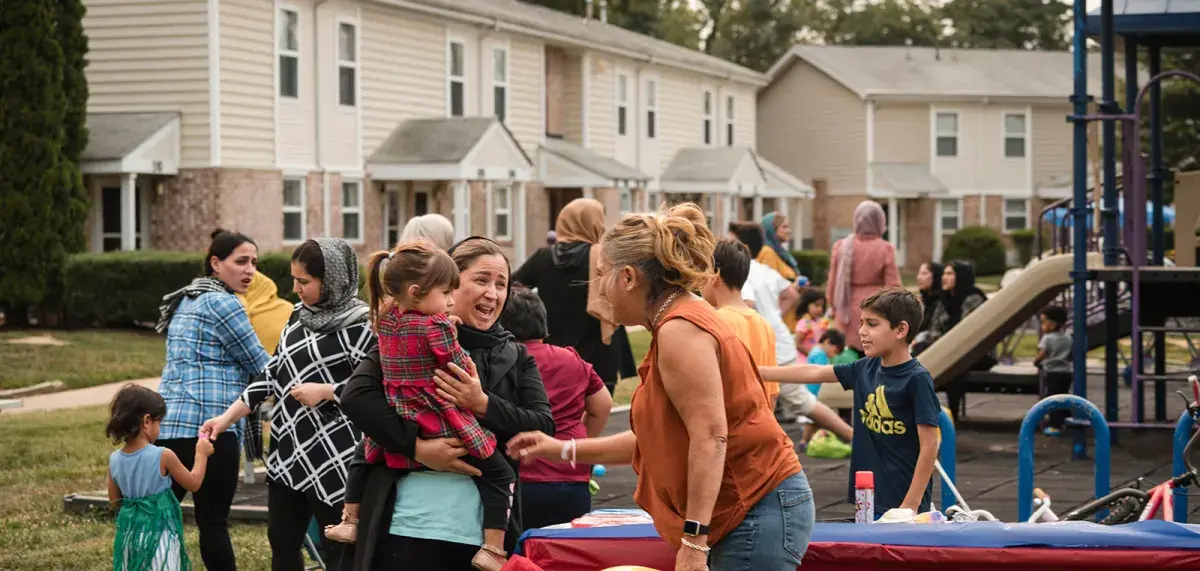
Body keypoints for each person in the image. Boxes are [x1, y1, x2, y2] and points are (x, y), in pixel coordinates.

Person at [507, 203, 814, 571]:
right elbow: (656, 437)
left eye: (602, 274)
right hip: (747, 506)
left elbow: (710, 436)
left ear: (630, 278)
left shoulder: (680, 328)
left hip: (752, 506)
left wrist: (694, 541)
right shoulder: (675, 320)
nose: (598, 287)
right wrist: (562, 449)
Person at [335, 237, 555, 571]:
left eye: (501, 284)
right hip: (401, 526)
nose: (492, 294)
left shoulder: (516, 356)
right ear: (447, 282)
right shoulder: (405, 337)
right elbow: (356, 398)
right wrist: (417, 448)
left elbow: (542, 424)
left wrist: (481, 403)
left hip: (478, 536)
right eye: (481, 280)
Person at [200, 238, 374, 570]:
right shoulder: (297, 316)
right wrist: (226, 419)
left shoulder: (361, 325)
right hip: (289, 453)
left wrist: (327, 391)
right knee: (282, 543)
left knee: (338, 551)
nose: (295, 288)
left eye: (304, 281)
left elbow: (375, 389)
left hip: (336, 461)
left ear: (333, 279)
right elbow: (272, 372)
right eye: (293, 279)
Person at [760, 287, 940, 518]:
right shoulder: (865, 368)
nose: (862, 331)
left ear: (901, 329)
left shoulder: (917, 379)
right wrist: (759, 372)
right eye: (862, 323)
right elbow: (815, 372)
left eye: (872, 324)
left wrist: (910, 505)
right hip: (867, 494)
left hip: (904, 503)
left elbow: (930, 446)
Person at [155, 229, 272, 571]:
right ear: (216, 263)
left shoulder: (185, 299)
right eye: (241, 262)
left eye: (254, 262)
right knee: (213, 523)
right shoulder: (224, 302)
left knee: (160, 517)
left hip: (169, 425)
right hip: (212, 428)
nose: (250, 270)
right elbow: (261, 364)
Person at [501, 287, 612, 530]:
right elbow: (602, 404)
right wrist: (578, 443)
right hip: (570, 474)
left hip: (520, 475)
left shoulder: (501, 360)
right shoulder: (571, 358)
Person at [513, 198, 622, 394]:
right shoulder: (602, 257)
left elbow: (511, 286)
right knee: (595, 414)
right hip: (597, 353)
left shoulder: (542, 257)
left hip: (554, 351)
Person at [108, 384, 212, 571]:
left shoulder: (114, 459)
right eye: (159, 422)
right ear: (147, 421)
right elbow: (194, 483)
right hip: (159, 537)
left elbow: (115, 501)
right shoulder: (163, 455)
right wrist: (201, 454)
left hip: (129, 537)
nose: (160, 428)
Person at [730, 223, 811, 423]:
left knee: (798, 402)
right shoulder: (762, 269)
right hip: (776, 339)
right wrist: (775, 314)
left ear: (743, 246)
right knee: (771, 402)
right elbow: (791, 294)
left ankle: (850, 434)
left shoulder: (743, 271)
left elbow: (748, 302)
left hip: (772, 346)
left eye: (730, 241)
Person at [700, 239, 779, 407]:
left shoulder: (715, 323)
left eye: (703, 270)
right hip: (760, 425)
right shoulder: (764, 324)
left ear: (715, 275)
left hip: (730, 427)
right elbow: (772, 393)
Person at [826, 201, 902, 354]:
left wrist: (833, 305)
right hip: (877, 306)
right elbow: (893, 286)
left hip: (846, 307)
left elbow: (832, 282)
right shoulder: (885, 248)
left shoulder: (842, 246)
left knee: (850, 357)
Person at [912, 260, 989, 354]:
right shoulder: (945, 300)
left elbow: (968, 332)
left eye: (949, 274)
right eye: (944, 274)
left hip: (970, 351)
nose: (944, 277)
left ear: (961, 277)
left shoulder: (974, 299)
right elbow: (935, 330)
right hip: (946, 348)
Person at [757, 212, 803, 332]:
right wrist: (795, 286)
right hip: (777, 326)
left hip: (787, 321)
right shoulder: (768, 253)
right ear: (771, 230)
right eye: (785, 227)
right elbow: (769, 290)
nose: (789, 230)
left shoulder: (781, 253)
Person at [1035, 306, 1073, 436]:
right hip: (1066, 372)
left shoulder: (1047, 338)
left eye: (1043, 322)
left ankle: (1054, 425)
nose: (1041, 325)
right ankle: (1066, 418)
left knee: (1051, 399)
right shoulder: (1068, 337)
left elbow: (1043, 353)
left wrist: (1036, 361)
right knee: (1063, 396)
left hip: (1052, 372)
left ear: (1052, 324)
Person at [794, 289, 831, 361]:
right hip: (806, 360)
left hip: (819, 359)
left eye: (822, 306)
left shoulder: (820, 321)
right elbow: (798, 344)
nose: (820, 309)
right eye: (816, 305)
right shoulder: (804, 322)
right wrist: (812, 354)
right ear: (806, 305)